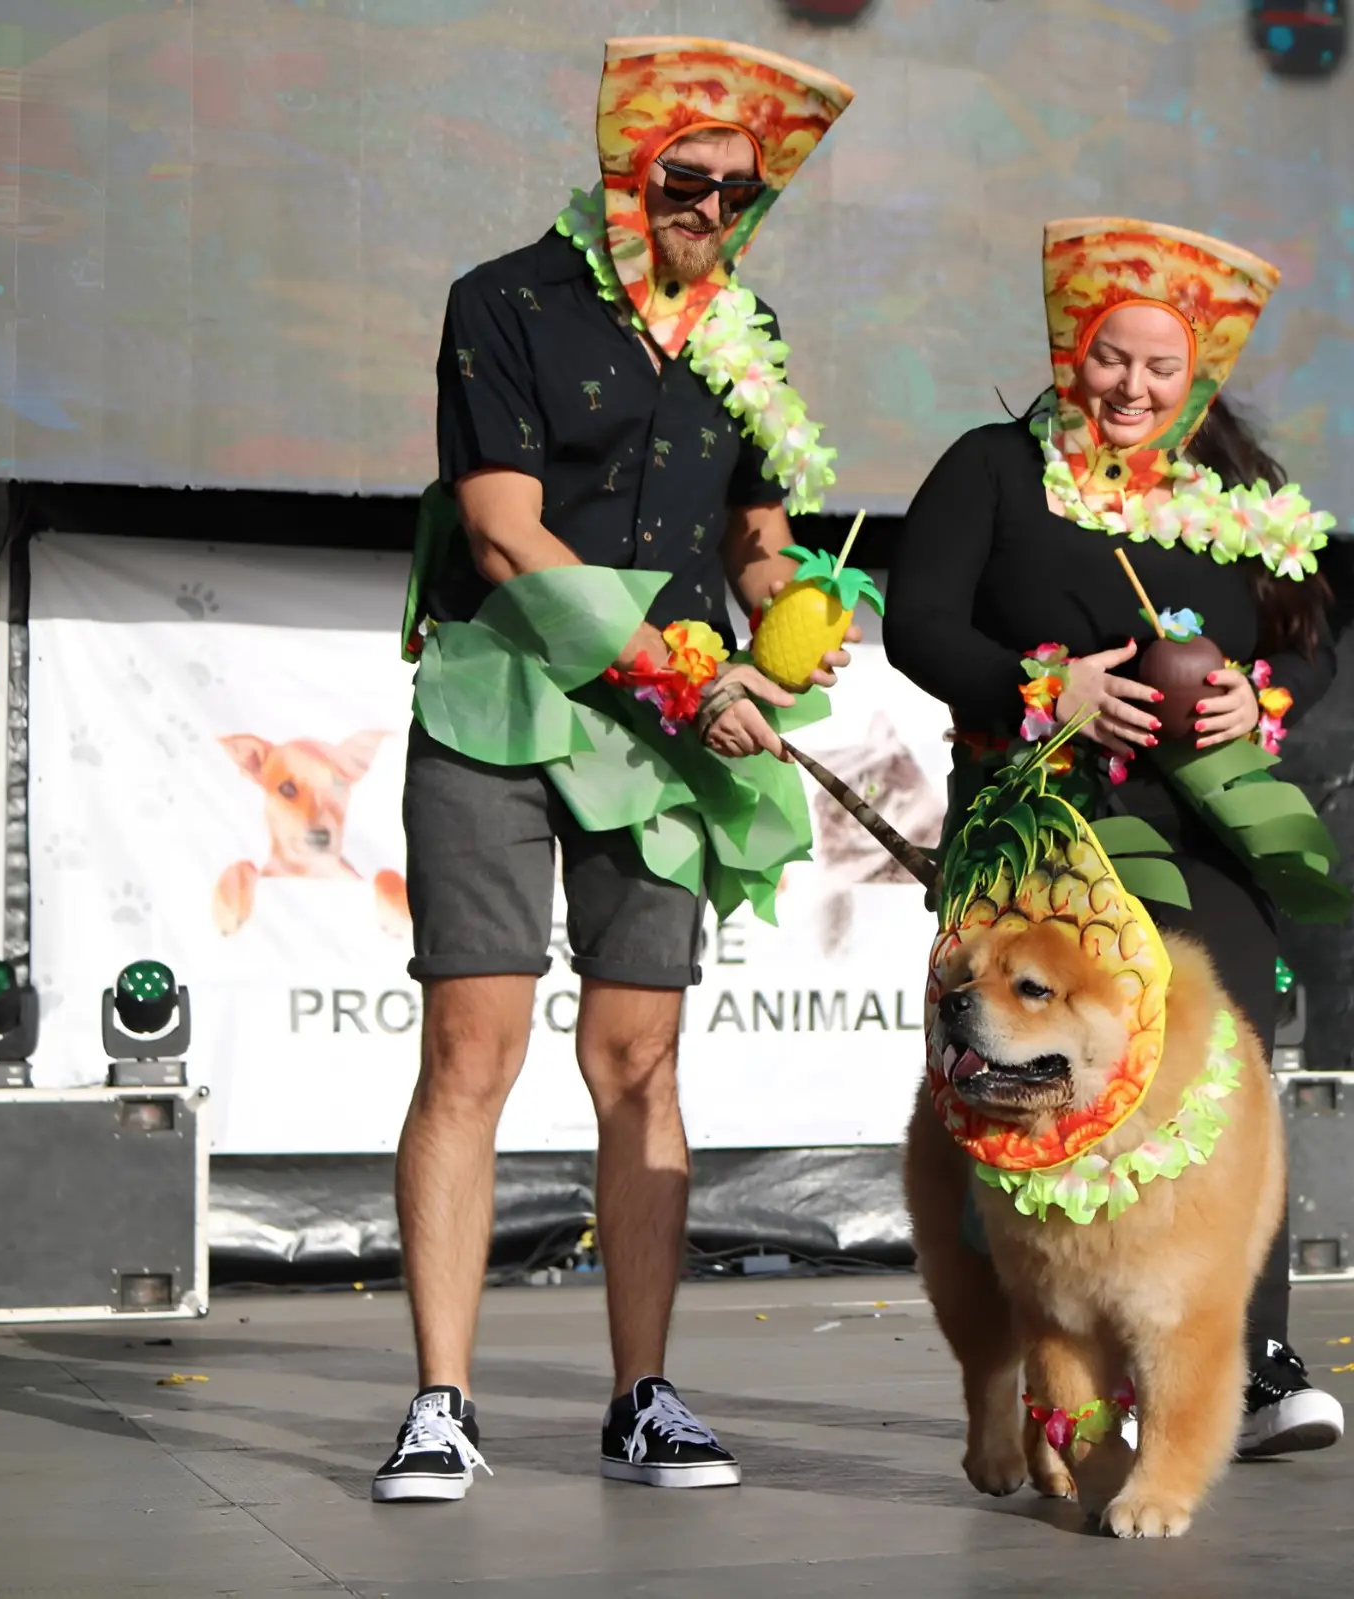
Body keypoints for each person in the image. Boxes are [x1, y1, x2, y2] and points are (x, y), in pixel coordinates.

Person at [373, 36, 857, 1504]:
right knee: (472, 1051)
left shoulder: (749, 331)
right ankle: (442, 1402)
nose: (710, 207)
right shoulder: (507, 300)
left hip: (664, 731)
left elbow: (757, 533)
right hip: (506, 698)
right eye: (683, 179)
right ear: (622, 171)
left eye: (737, 190)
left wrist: (794, 620)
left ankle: (644, 1396)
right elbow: (504, 532)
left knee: (639, 1059)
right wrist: (683, 673)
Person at [885, 217, 1348, 1459]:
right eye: (1110, 358)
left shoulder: (1233, 497)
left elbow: (1312, 642)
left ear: (1196, 376)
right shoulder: (994, 468)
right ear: (1068, 351)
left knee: (1228, 1076)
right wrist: (1048, 689)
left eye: (1160, 367)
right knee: (1029, 1091)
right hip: (1046, 825)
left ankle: (1248, 1356)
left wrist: (1263, 698)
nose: (1132, 388)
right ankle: (1051, 1381)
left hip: (1206, 826)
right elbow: (918, 625)